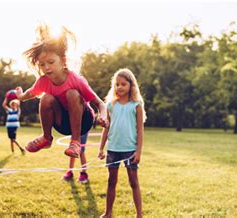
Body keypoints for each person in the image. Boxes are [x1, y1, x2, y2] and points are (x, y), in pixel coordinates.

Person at [15, 23, 107, 158]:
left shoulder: (75, 79)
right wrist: (20, 96)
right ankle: (46, 138)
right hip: (62, 124)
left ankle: (75, 142)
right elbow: (29, 93)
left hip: (84, 121)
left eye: (51, 62)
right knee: (46, 97)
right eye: (42, 64)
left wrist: (103, 116)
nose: (46, 68)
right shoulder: (43, 81)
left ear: (63, 61)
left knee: (72, 93)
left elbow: (100, 103)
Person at [98, 68, 146, 218]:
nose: (119, 87)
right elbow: (106, 128)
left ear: (131, 86)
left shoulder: (136, 105)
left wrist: (138, 151)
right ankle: (108, 213)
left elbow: (140, 130)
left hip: (130, 150)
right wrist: (101, 148)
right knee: (111, 181)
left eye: (123, 84)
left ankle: (139, 214)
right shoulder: (111, 105)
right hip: (113, 149)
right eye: (117, 84)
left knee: (134, 182)